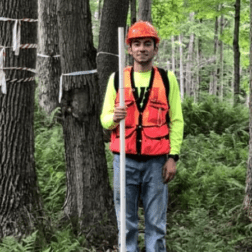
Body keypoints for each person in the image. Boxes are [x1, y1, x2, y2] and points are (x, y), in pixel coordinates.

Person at [100, 20, 184, 252]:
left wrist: (172, 157)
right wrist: (114, 118)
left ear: (156, 49)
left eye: (148, 44)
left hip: (157, 163)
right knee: (125, 223)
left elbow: (176, 121)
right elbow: (104, 119)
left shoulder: (167, 79)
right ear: (129, 49)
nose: (142, 48)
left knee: (156, 224)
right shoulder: (117, 79)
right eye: (136, 44)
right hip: (124, 161)